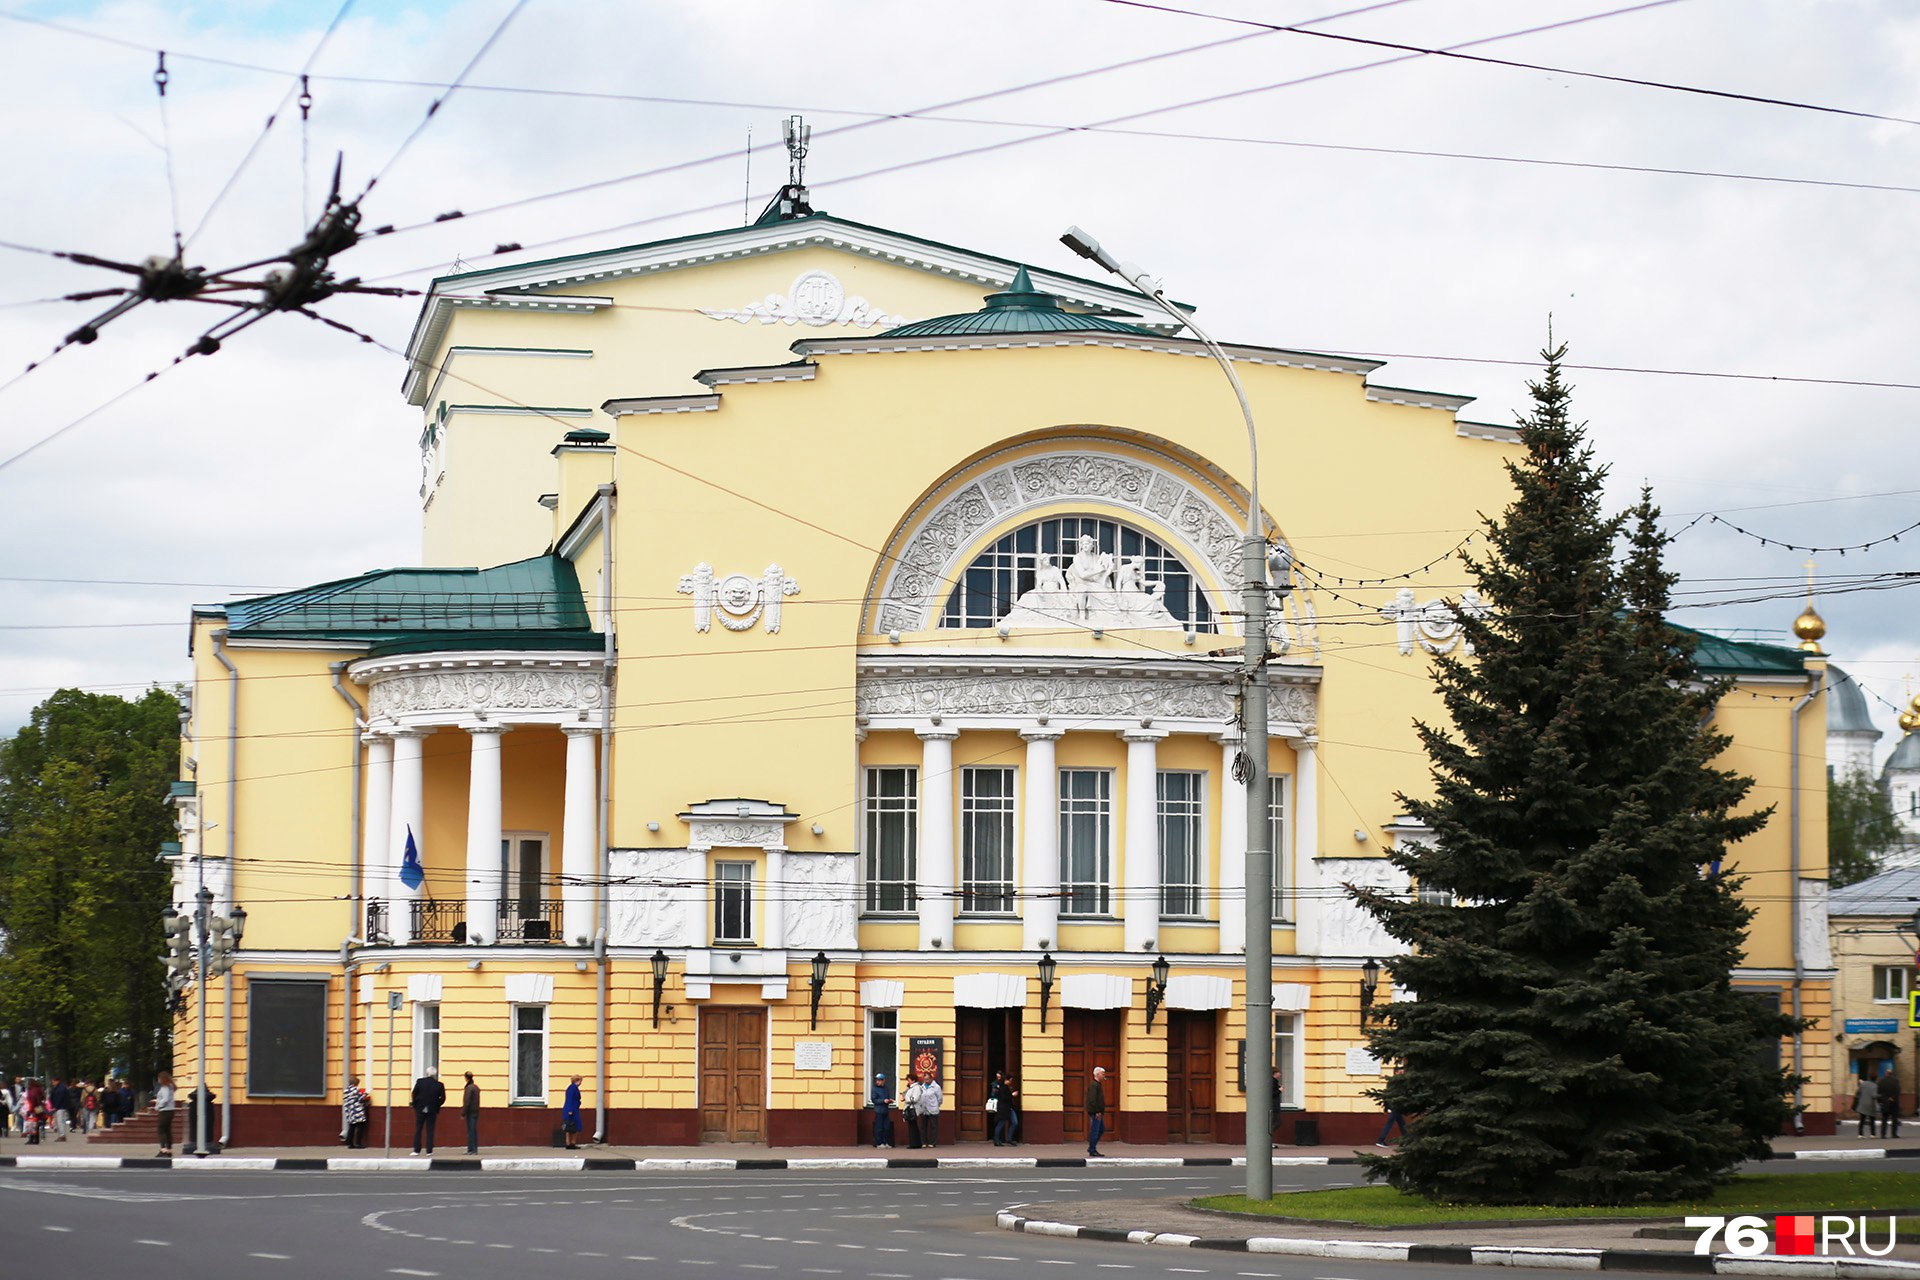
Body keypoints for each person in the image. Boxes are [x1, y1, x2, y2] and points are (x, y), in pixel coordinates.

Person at [410, 1068, 444, 1155]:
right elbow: (443, 1098)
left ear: (427, 1073)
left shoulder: (420, 1082)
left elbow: (414, 1093)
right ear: (435, 1074)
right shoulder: (439, 1085)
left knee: (418, 1129)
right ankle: (429, 1151)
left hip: (420, 1108)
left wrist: (415, 1104)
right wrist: (437, 1105)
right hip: (432, 1109)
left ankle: (416, 1150)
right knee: (430, 1130)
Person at [915, 1071, 943, 1148]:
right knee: (923, 1127)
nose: (926, 1081)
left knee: (933, 1127)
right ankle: (924, 1142)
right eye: (924, 1079)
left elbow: (940, 1099)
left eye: (927, 1079)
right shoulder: (922, 1087)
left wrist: (936, 1106)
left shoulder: (936, 1087)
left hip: (933, 1109)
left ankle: (933, 1142)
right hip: (924, 1109)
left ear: (931, 1078)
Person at [1085, 1065, 1108, 1158]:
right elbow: (1092, 1100)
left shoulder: (1097, 1085)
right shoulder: (1094, 1085)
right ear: (1097, 1074)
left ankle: (1091, 1146)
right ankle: (1092, 1149)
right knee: (1095, 1130)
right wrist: (1097, 1111)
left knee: (1101, 1129)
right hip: (1096, 1113)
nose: (1104, 1075)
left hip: (1098, 1112)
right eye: (1103, 1074)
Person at [343, 1075, 370, 1148]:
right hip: (357, 1111)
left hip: (349, 1111)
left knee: (351, 1127)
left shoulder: (346, 1090)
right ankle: (358, 1143)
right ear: (356, 1083)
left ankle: (350, 1144)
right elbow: (360, 1099)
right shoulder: (355, 1090)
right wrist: (366, 1094)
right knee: (360, 1126)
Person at [870, 1074, 895, 1149]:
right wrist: (883, 1101)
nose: (877, 1082)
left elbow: (886, 1098)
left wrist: (889, 1100)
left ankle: (885, 1142)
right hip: (879, 1110)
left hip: (885, 1110)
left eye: (879, 1080)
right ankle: (879, 1143)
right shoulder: (874, 1089)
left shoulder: (886, 1088)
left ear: (883, 1080)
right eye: (877, 1080)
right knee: (879, 1127)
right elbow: (874, 1100)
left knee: (886, 1127)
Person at [154, 1072, 176, 1158]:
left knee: (161, 1129)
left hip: (164, 1111)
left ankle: (163, 1150)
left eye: (159, 1078)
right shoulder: (170, 1087)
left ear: (162, 1079)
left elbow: (165, 1099)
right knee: (167, 1130)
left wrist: (158, 1106)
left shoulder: (165, 1088)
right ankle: (169, 1149)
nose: (158, 1080)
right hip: (170, 1110)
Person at [988, 1072, 1012, 1147]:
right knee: (1000, 1124)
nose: (1010, 1082)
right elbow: (1004, 1097)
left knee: (1000, 1124)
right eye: (1010, 1080)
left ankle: (997, 1140)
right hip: (1003, 1108)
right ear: (1006, 1080)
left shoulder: (1001, 1086)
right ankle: (996, 1140)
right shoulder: (1004, 1087)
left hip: (1001, 1107)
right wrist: (1012, 1095)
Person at [1878, 1065, 1902, 1140]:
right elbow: (1898, 1091)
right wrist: (1892, 1098)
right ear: (1892, 1074)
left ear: (1886, 1074)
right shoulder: (1896, 1081)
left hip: (1885, 1103)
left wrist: (1880, 1101)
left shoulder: (1881, 1081)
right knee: (1894, 1119)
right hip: (1894, 1103)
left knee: (1884, 1119)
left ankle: (1883, 1134)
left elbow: (1878, 1092)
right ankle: (1894, 1134)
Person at [1855, 1071, 1881, 1138]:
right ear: (1876, 1078)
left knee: (1862, 1120)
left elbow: (1858, 1092)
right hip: (1870, 1105)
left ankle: (1860, 1134)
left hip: (1862, 1103)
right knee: (1872, 1120)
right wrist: (1880, 1095)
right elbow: (1874, 1095)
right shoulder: (1875, 1086)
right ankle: (1872, 1134)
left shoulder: (1863, 1083)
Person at [901, 1075, 924, 1149]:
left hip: (913, 1109)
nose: (908, 1082)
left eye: (909, 1080)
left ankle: (914, 1144)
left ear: (913, 1080)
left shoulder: (916, 1088)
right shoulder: (912, 1088)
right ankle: (916, 1143)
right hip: (911, 1109)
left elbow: (914, 1099)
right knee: (912, 1126)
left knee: (913, 1127)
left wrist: (906, 1098)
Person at [562, 1075, 583, 1149]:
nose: (581, 1082)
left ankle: (569, 1143)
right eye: (580, 1081)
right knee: (574, 1126)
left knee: (570, 1127)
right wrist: (570, 1110)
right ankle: (571, 1143)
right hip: (572, 1110)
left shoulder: (572, 1088)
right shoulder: (573, 1088)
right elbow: (570, 1099)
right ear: (577, 1081)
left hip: (571, 1109)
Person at [462, 1072, 481, 1154]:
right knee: (473, 1130)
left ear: (467, 1078)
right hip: (475, 1111)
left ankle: (472, 1150)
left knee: (471, 1131)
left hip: (470, 1112)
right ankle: (472, 1149)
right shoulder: (476, 1087)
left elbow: (467, 1101)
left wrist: (463, 1113)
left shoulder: (469, 1088)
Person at [48, 1077, 69, 1141]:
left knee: (60, 1121)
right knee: (59, 1121)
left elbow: (59, 1098)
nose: (52, 1083)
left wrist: (55, 1106)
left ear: (57, 1081)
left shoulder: (60, 1088)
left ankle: (62, 1135)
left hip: (60, 1107)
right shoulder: (60, 1087)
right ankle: (61, 1134)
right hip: (60, 1107)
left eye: (53, 1081)